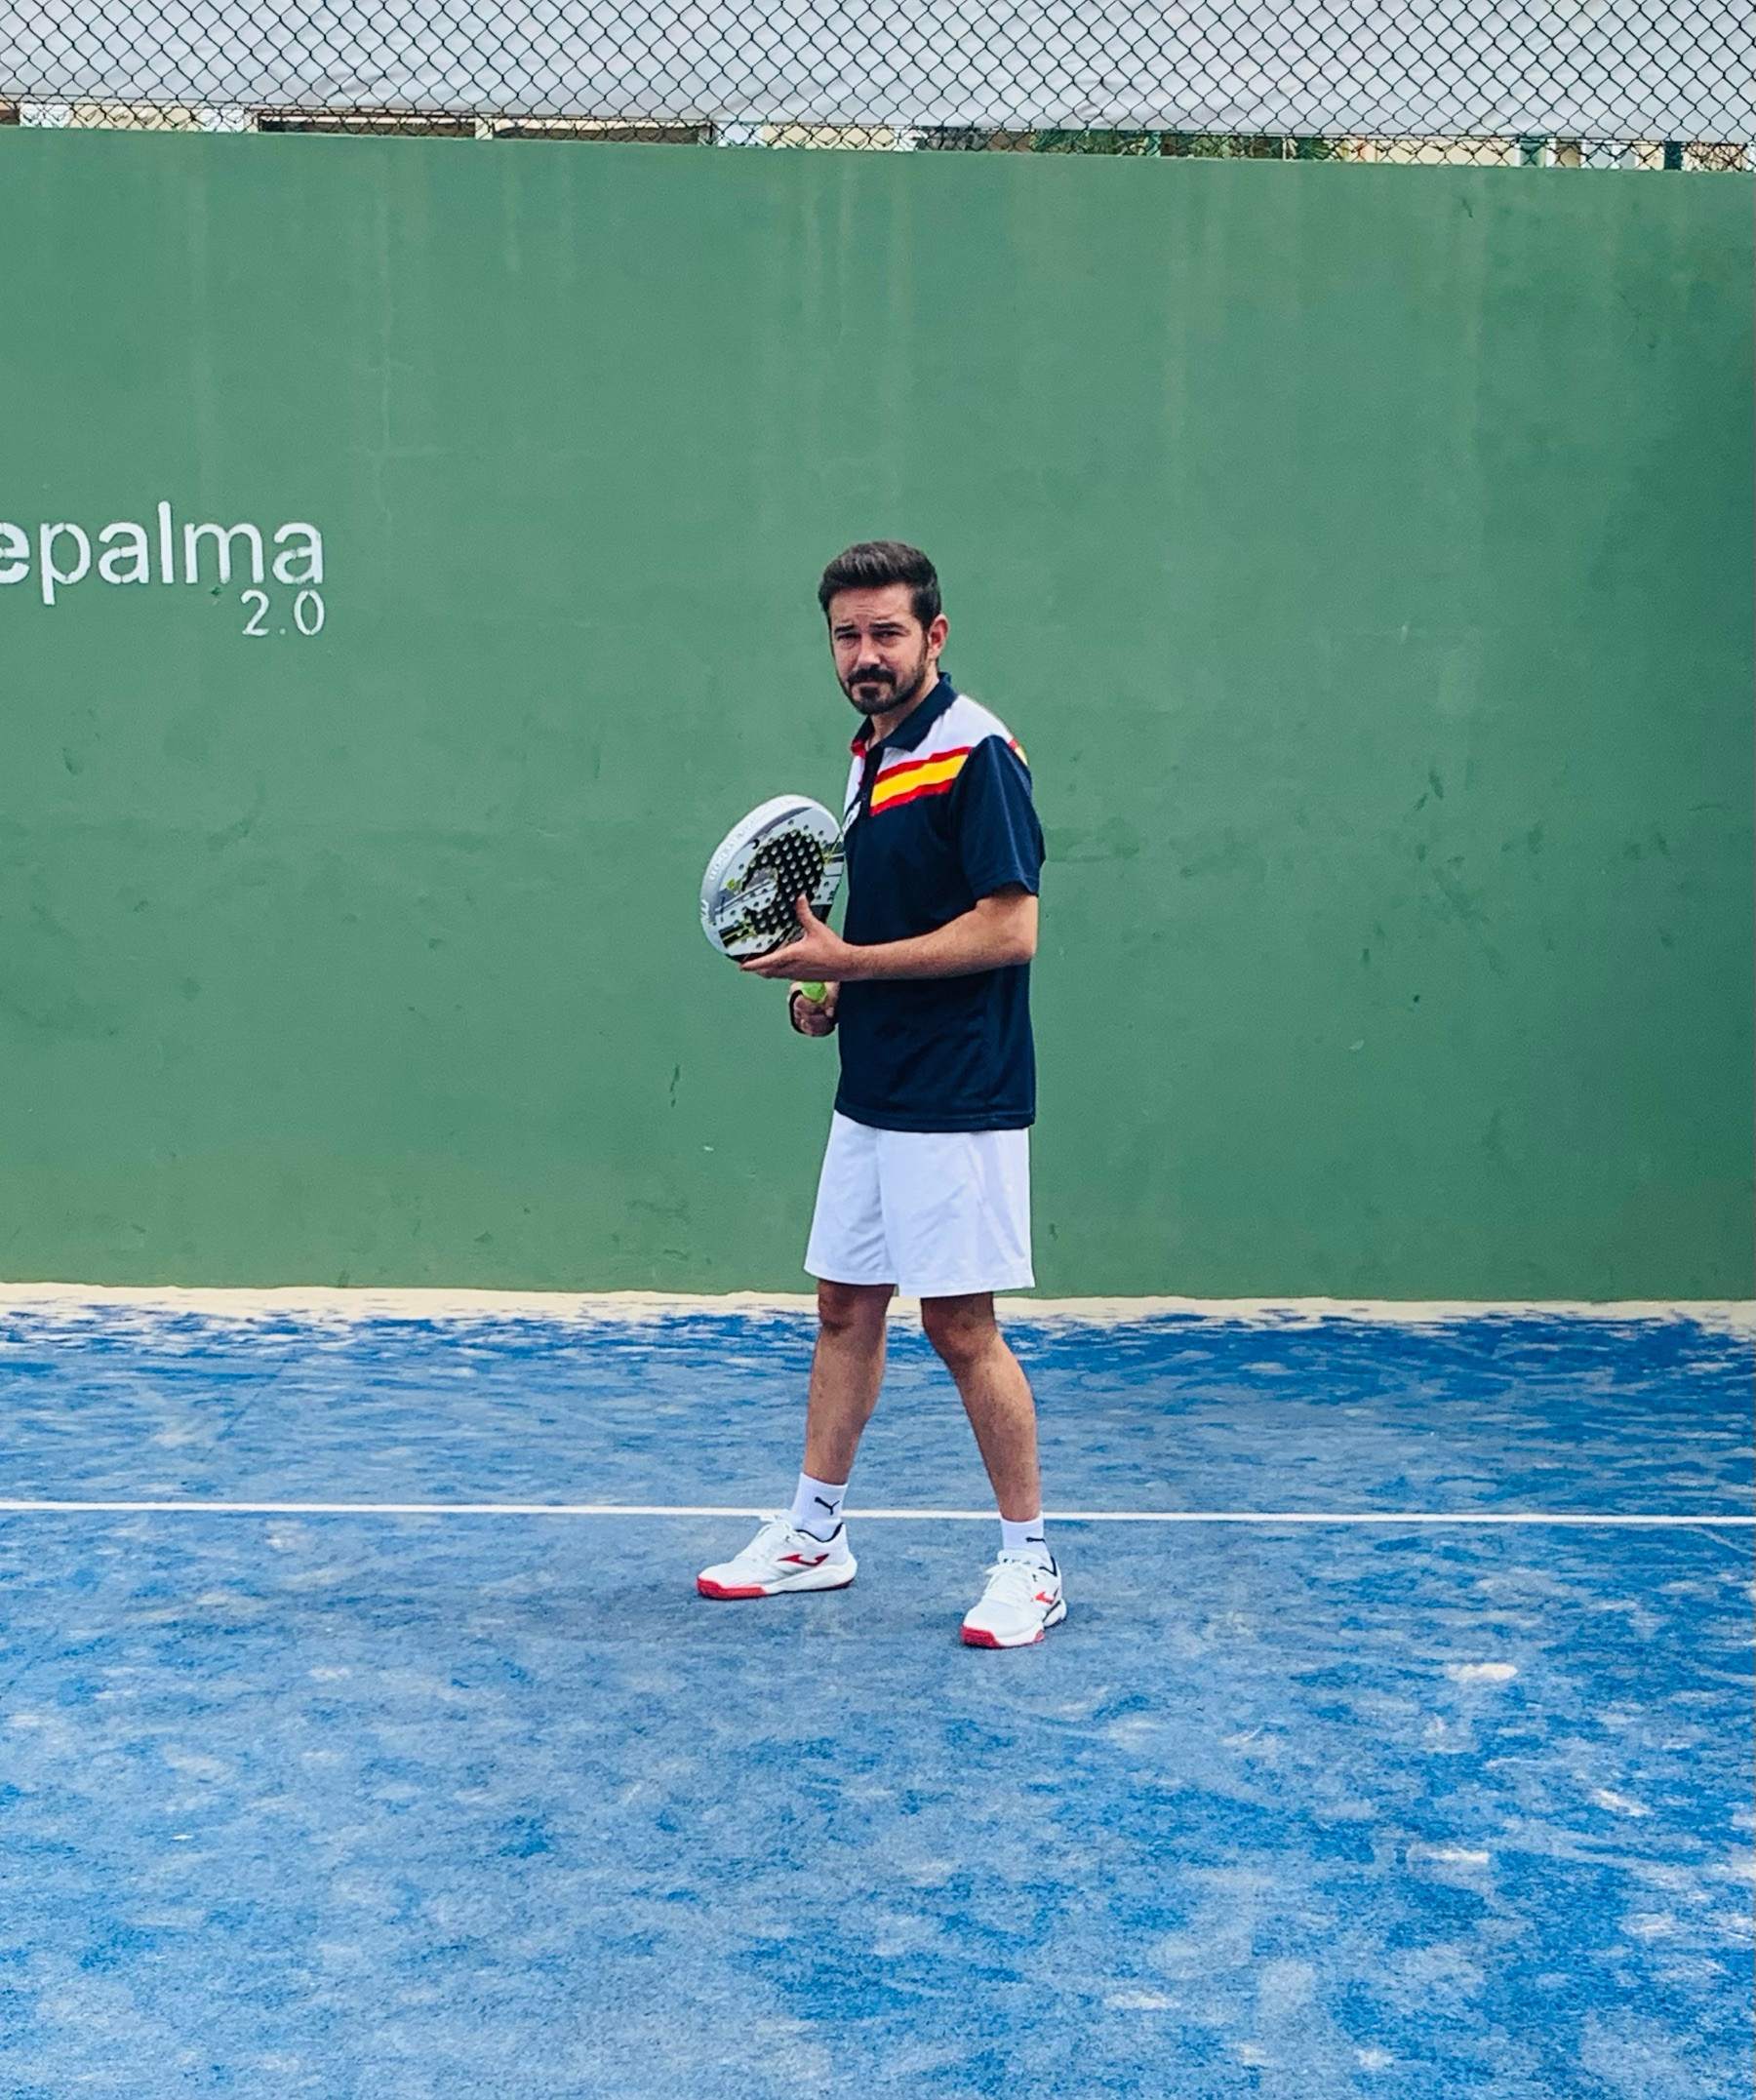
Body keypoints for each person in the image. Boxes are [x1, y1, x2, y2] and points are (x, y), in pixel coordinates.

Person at [696, 541, 1063, 1647]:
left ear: (933, 636)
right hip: (874, 1085)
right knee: (845, 1306)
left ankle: (1031, 1563)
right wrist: (830, 991)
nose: (866, 654)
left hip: (960, 1089)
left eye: (887, 633)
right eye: (847, 635)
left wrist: (849, 963)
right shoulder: (872, 754)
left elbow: (1011, 927)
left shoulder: (977, 752)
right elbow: (887, 919)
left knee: (959, 1325)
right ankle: (816, 1533)